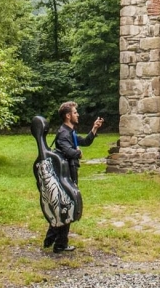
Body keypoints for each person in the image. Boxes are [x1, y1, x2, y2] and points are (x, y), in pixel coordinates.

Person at [43, 101, 104, 253]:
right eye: (75, 112)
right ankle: (56, 241)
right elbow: (69, 151)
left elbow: (85, 142)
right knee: (66, 205)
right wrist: (78, 153)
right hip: (65, 175)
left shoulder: (70, 132)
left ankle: (56, 241)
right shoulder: (63, 133)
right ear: (68, 116)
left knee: (66, 205)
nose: (78, 114)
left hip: (69, 173)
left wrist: (94, 128)